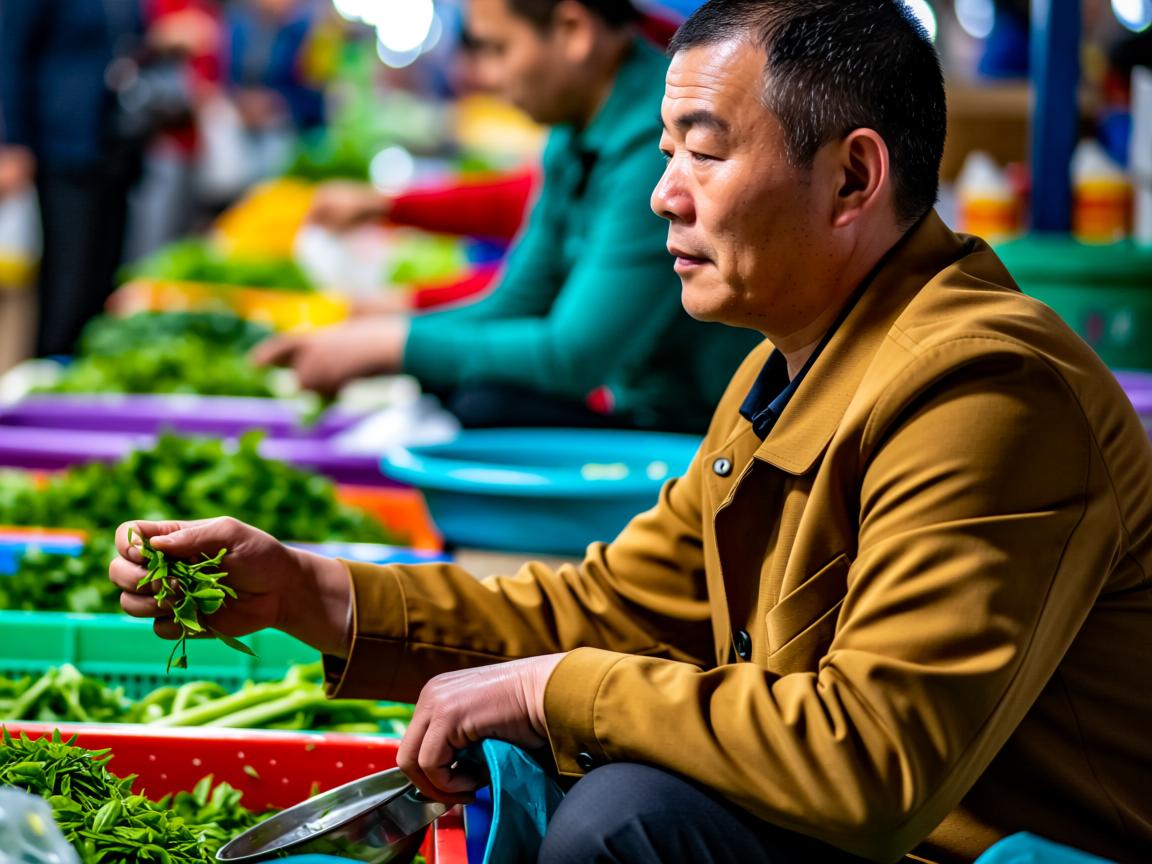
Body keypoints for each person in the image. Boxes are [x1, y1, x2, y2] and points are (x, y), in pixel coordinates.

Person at [111, 1, 1152, 862]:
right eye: (666, 154)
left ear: (852, 178)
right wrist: (311, 592)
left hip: (982, 845)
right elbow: (613, 606)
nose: (664, 196)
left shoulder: (987, 389)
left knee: (624, 817)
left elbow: (873, 757)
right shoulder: (784, 367)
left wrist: (555, 687)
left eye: (705, 153)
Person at [252, 0, 760, 434]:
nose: (488, 76)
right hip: (642, 406)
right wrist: (370, 338)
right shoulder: (574, 130)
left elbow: (573, 357)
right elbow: (518, 300)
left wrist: (391, 346)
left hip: (698, 429)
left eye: (498, 49)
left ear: (573, 31)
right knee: (462, 384)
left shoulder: (654, 133)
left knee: (485, 403)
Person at [0, 0, 149, 357]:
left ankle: (86, 370)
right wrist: (13, 142)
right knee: (67, 281)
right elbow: (10, 54)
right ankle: (53, 369)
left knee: (102, 278)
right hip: (63, 144)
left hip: (113, 145)